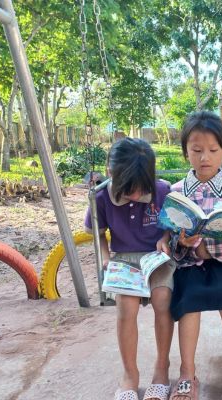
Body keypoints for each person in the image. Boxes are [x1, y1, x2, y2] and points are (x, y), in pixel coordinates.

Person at [165, 111, 222, 400]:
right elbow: (171, 243)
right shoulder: (176, 191)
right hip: (191, 265)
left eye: (212, 150)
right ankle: (187, 372)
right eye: (196, 151)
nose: (204, 157)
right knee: (188, 303)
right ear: (185, 153)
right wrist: (183, 242)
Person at [84, 137, 175, 400]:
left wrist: (164, 239)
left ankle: (161, 369)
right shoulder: (101, 196)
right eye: (129, 190)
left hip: (156, 257)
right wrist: (104, 258)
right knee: (126, 306)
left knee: (162, 299)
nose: (136, 196)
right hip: (123, 258)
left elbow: (170, 225)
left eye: (140, 189)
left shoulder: (161, 190)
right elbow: (99, 233)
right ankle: (130, 375)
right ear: (112, 174)